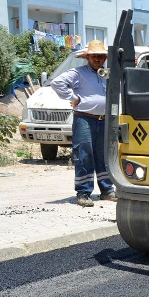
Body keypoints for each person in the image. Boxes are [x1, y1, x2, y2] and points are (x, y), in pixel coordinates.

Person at [50, 40, 117, 207]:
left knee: (104, 156)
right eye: (94, 56)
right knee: (84, 154)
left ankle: (107, 191)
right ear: (87, 57)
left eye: (101, 56)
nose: (97, 59)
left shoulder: (106, 73)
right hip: (84, 119)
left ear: (105, 58)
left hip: (103, 120)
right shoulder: (78, 73)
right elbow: (57, 83)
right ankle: (83, 192)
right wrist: (73, 98)